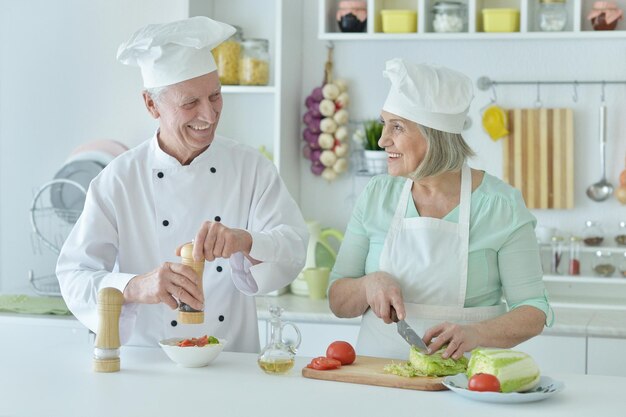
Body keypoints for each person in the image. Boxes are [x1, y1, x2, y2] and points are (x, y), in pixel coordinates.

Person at [56, 17, 308, 353]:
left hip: (233, 366)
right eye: (190, 103)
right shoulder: (118, 180)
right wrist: (134, 286)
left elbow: (293, 248)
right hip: (150, 367)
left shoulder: (251, 168)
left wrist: (245, 241)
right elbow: (74, 275)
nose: (209, 115)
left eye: (215, 96)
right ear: (151, 104)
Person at [328, 58, 553, 360]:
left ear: (434, 136)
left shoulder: (500, 206)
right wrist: (369, 285)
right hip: (378, 377)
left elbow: (534, 310)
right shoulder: (377, 195)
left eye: (398, 127)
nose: (383, 140)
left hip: (466, 383)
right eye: (385, 124)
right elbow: (337, 299)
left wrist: (476, 334)